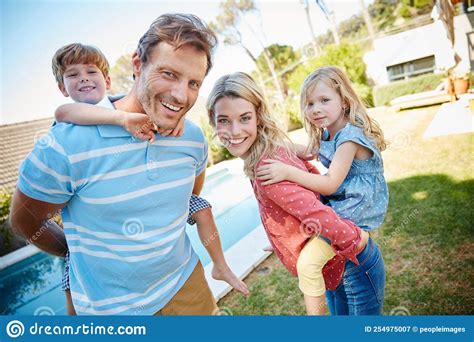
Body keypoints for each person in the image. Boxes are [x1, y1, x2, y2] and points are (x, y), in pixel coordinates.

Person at [10, 13, 237, 315]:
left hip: (188, 285)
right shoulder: (63, 145)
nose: (182, 95)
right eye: (168, 74)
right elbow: (25, 221)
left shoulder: (193, 139)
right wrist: (73, 252)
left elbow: (187, 199)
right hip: (112, 313)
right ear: (137, 65)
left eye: (193, 82)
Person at [206, 72, 385, 315]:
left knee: (307, 264)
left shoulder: (271, 169)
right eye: (224, 120)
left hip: (353, 261)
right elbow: (310, 171)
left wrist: (357, 240)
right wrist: (280, 239)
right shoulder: (273, 153)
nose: (234, 130)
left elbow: (322, 203)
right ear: (213, 121)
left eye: (244, 117)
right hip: (337, 268)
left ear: (258, 117)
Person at [255, 66, 388, 314]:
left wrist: (287, 173)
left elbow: (330, 183)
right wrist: (269, 144)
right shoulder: (328, 131)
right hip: (343, 201)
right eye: (309, 103)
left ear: (344, 101)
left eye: (324, 100)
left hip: (357, 206)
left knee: (309, 261)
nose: (315, 109)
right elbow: (306, 151)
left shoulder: (349, 137)